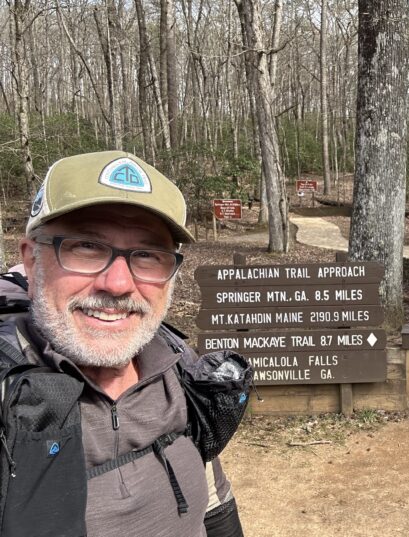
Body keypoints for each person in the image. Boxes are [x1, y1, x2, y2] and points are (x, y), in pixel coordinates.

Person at [2, 151, 244, 536]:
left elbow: (213, 498)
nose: (116, 284)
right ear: (32, 260)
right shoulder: (9, 395)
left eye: (147, 255)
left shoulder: (177, 366)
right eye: (86, 247)